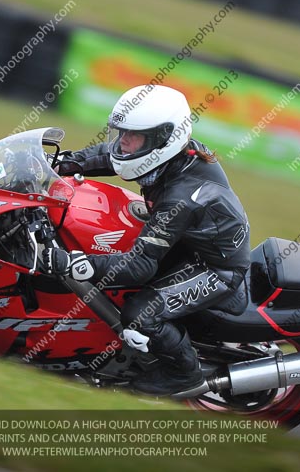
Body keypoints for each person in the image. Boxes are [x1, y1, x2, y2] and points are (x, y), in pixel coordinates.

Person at [42, 84, 250, 395]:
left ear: (162, 138)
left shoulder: (182, 196)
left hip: (215, 268)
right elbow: (109, 156)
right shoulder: (166, 154)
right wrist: (58, 165)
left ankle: (184, 373)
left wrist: (71, 263)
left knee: (140, 313)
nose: (123, 142)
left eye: (133, 135)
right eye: (121, 132)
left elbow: (139, 267)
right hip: (186, 244)